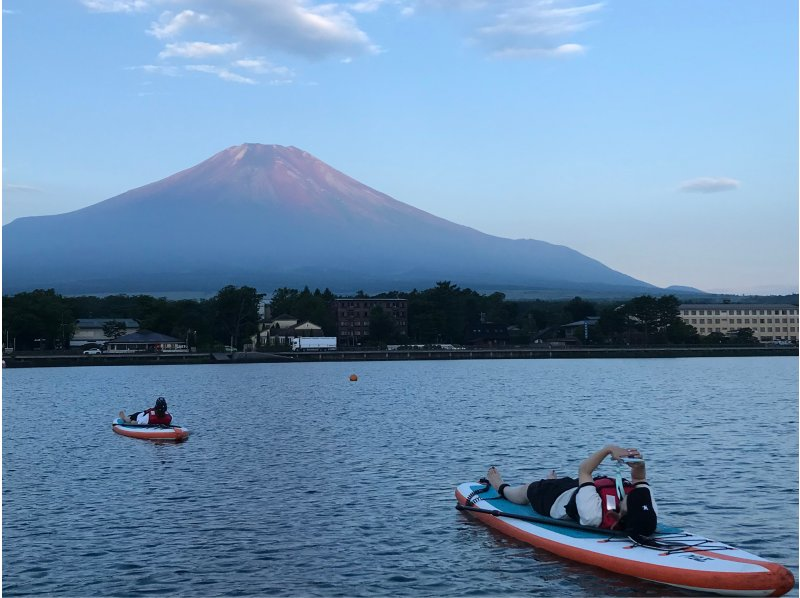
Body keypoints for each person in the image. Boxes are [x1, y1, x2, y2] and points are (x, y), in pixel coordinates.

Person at [486, 444, 657, 537]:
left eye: (629, 497)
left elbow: (584, 470)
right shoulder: (646, 506)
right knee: (570, 483)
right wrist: (637, 462)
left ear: (622, 512)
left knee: (529, 490)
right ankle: (553, 481)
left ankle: (501, 487)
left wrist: (608, 449)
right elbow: (639, 479)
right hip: (588, 488)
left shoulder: (594, 515)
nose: (631, 492)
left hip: (555, 501)